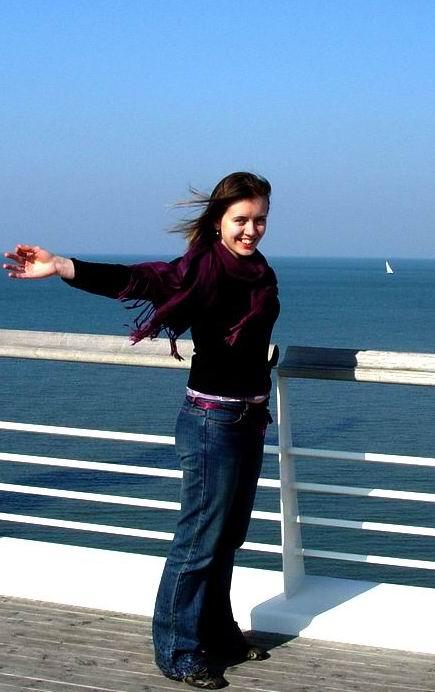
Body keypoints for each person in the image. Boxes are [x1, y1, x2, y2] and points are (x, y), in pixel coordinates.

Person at [3, 171, 280, 689]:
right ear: (217, 222)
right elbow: (138, 280)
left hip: (250, 416)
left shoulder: (258, 271)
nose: (251, 230)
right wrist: (62, 266)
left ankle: (217, 634)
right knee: (200, 540)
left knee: (227, 537)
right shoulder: (199, 269)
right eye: (241, 220)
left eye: (259, 219)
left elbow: (246, 336)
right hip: (212, 420)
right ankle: (177, 650)